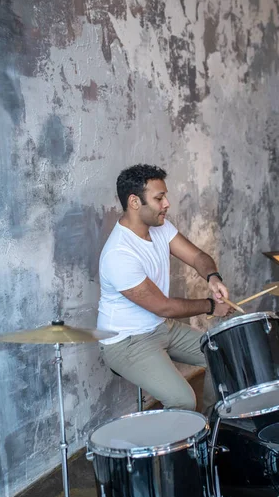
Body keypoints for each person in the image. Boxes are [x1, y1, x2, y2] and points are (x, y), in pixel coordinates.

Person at [97, 163, 233, 412]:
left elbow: (197, 257)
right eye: (159, 198)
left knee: (224, 355)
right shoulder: (119, 254)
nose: (167, 203)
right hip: (127, 341)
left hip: (160, 326)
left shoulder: (160, 228)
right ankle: (176, 451)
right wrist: (212, 306)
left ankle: (212, 429)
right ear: (135, 202)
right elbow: (164, 306)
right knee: (183, 399)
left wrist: (213, 277)